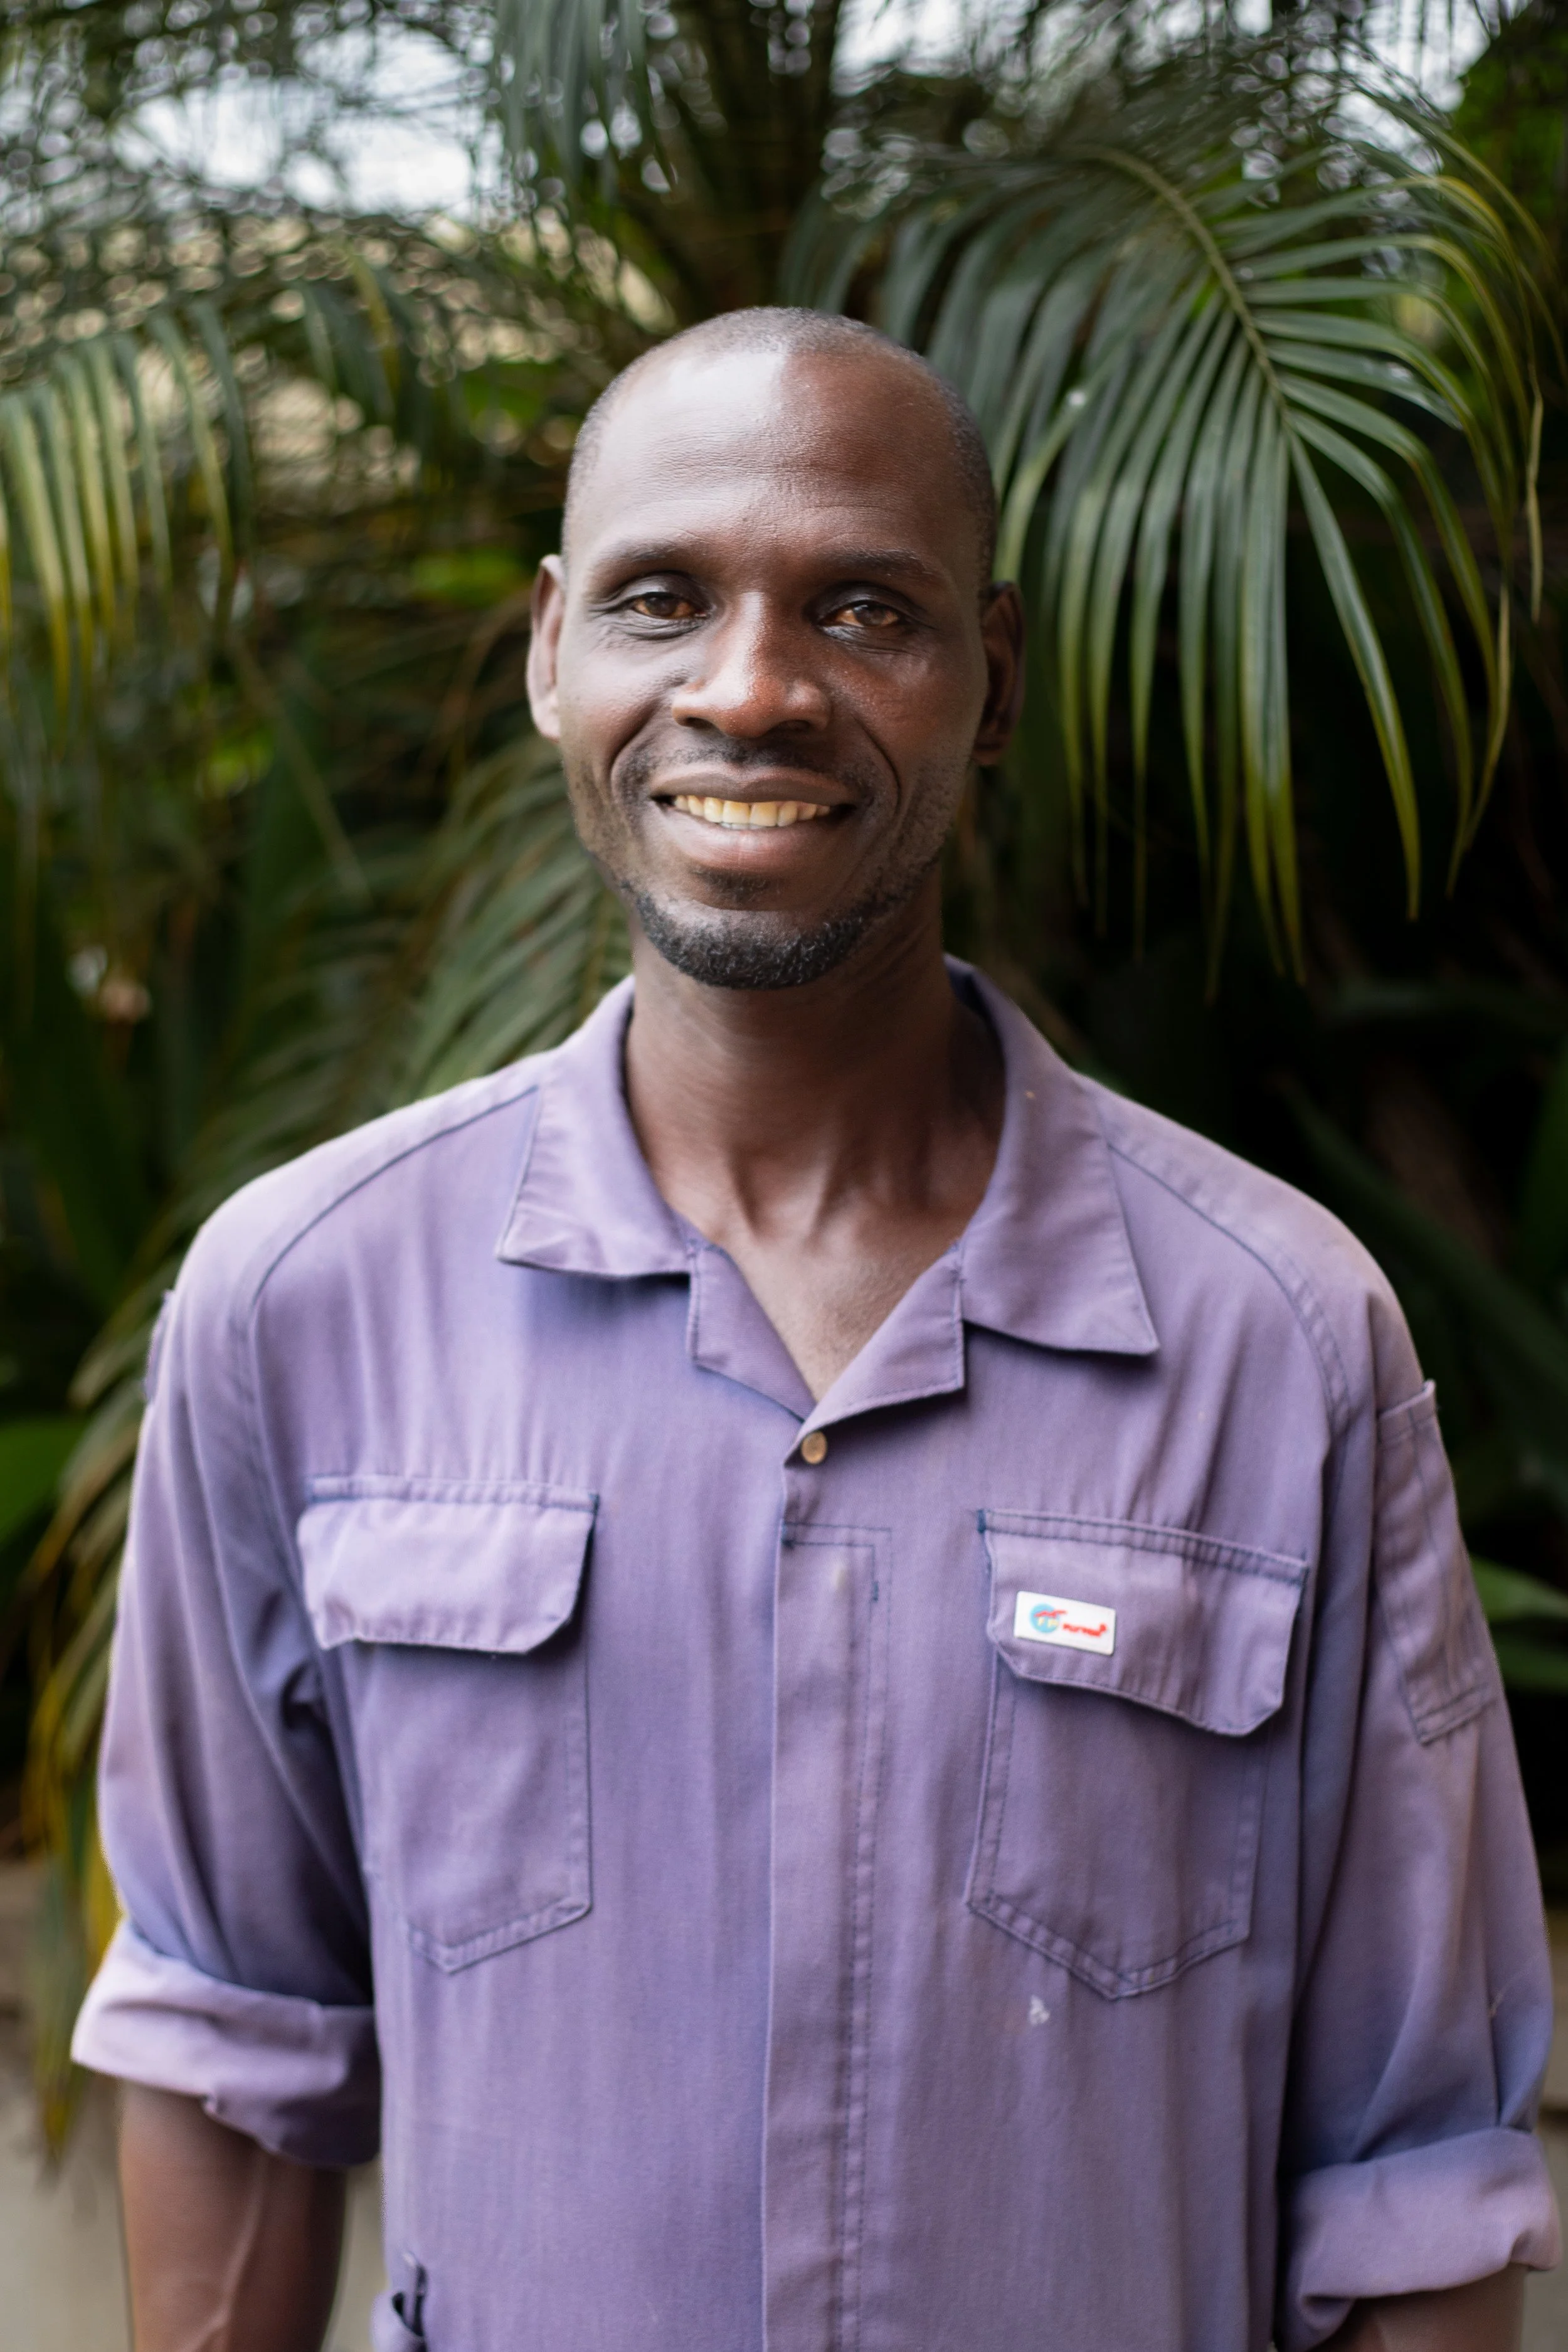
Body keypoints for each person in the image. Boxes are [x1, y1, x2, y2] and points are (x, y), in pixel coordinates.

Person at [75, 308, 1558, 2352]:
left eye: (861, 606)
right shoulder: (304, 1303)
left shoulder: (1276, 1340)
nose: (751, 687)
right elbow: (237, 2045)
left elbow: (1406, 2181)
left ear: (993, 678)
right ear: (547, 653)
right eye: (660, 598)